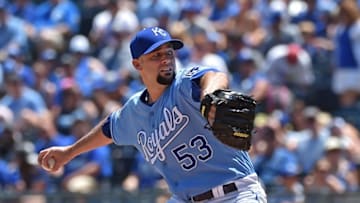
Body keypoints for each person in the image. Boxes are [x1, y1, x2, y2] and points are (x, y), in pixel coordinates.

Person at [38, 26, 267, 203]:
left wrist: (210, 95)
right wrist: (69, 152)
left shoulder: (184, 85)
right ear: (137, 64)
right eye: (156, 55)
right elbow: (109, 128)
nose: (166, 59)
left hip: (236, 194)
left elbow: (213, 76)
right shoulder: (134, 111)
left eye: (168, 53)